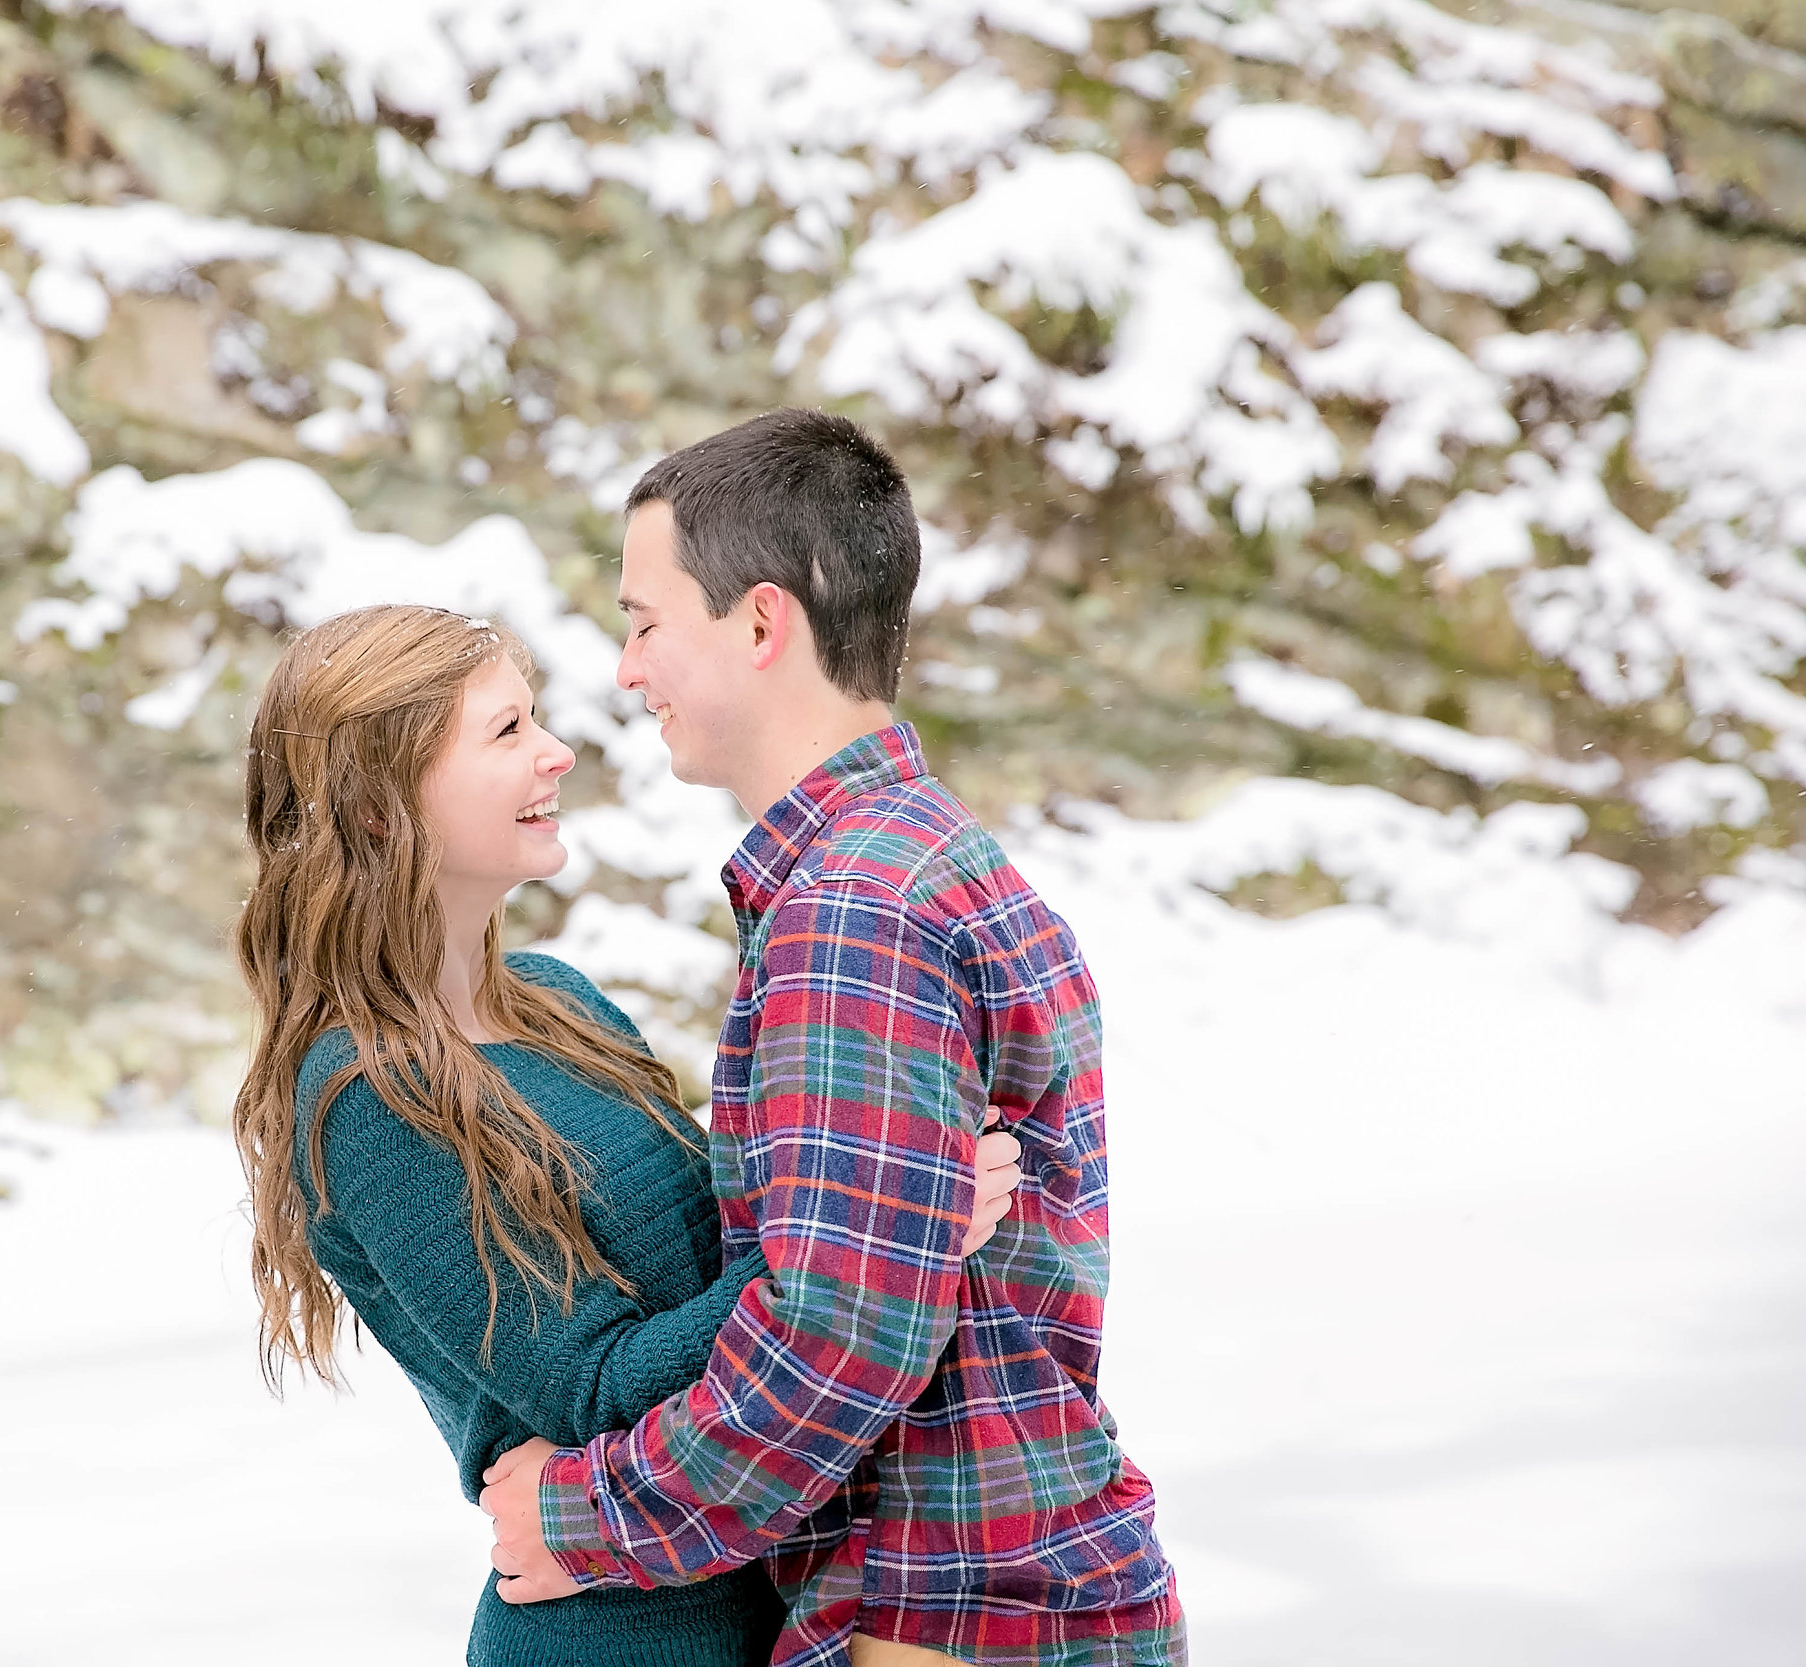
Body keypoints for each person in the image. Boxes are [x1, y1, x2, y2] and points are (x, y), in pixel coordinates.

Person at [477, 410, 1185, 1666]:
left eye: (645, 622)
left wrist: (581, 1519)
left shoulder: (851, 915)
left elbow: (836, 1341)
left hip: (947, 1615)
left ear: (760, 624)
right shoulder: (939, 863)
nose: (628, 671)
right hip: (1011, 1592)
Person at [230, 602, 1034, 1667]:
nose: (557, 752)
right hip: (616, 1628)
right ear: (379, 807)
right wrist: (878, 1231)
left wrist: (874, 1174)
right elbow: (594, 1385)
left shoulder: (558, 1000)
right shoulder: (370, 1094)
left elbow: (735, 1236)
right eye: (507, 731)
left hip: (755, 1571)